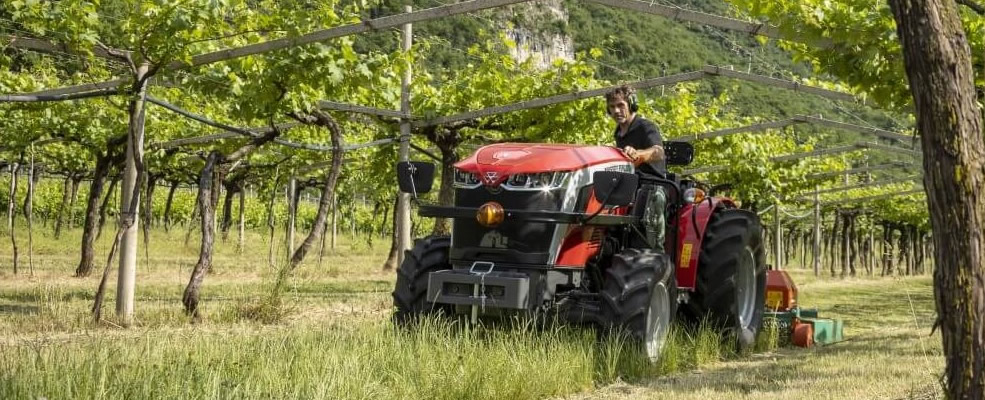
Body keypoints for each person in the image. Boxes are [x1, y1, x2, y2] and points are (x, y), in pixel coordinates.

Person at [605, 85, 667, 252]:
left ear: (631, 104)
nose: (616, 111)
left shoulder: (645, 126)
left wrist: (639, 154)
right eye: (612, 107)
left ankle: (655, 253)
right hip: (630, 185)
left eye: (620, 105)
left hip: (652, 184)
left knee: (653, 200)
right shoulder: (618, 133)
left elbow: (659, 152)